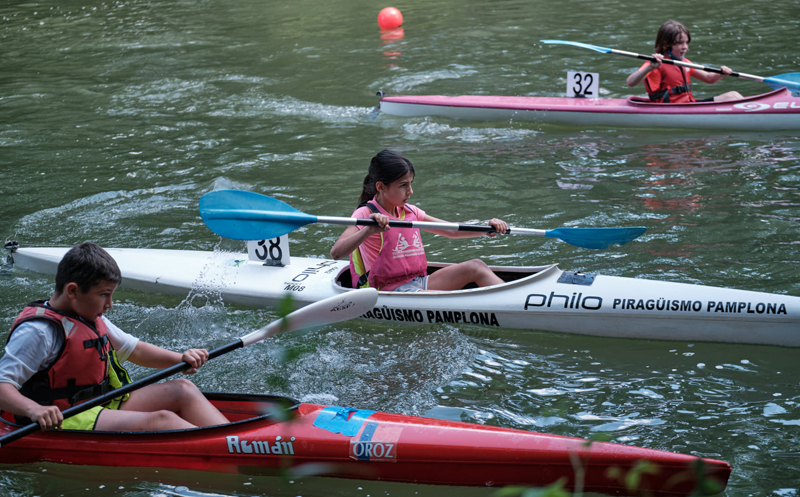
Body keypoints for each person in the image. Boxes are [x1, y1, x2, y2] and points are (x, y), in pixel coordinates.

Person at [0, 242, 229, 432]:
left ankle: (234, 440)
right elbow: (2, 385)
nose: (110, 304)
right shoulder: (39, 331)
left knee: (183, 389)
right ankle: (230, 450)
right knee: (162, 420)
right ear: (73, 291)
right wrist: (34, 409)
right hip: (63, 416)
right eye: (104, 295)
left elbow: (135, 350)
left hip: (99, 403)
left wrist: (180, 359)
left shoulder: (88, 317)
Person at [330, 149, 508, 292]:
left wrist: (486, 229)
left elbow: (451, 231)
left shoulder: (410, 211)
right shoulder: (365, 214)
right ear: (381, 187)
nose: (410, 191)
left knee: (476, 266)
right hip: (389, 290)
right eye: (403, 185)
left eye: (410, 183)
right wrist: (368, 230)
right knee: (441, 300)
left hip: (418, 281)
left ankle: (510, 300)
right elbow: (336, 253)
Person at [626, 21, 743, 103]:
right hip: (670, 108)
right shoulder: (655, 63)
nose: (685, 47)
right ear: (666, 44)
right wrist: (649, 68)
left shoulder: (684, 62)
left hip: (688, 104)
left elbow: (709, 78)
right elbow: (630, 82)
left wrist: (721, 73)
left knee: (733, 95)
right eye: (679, 43)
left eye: (686, 42)